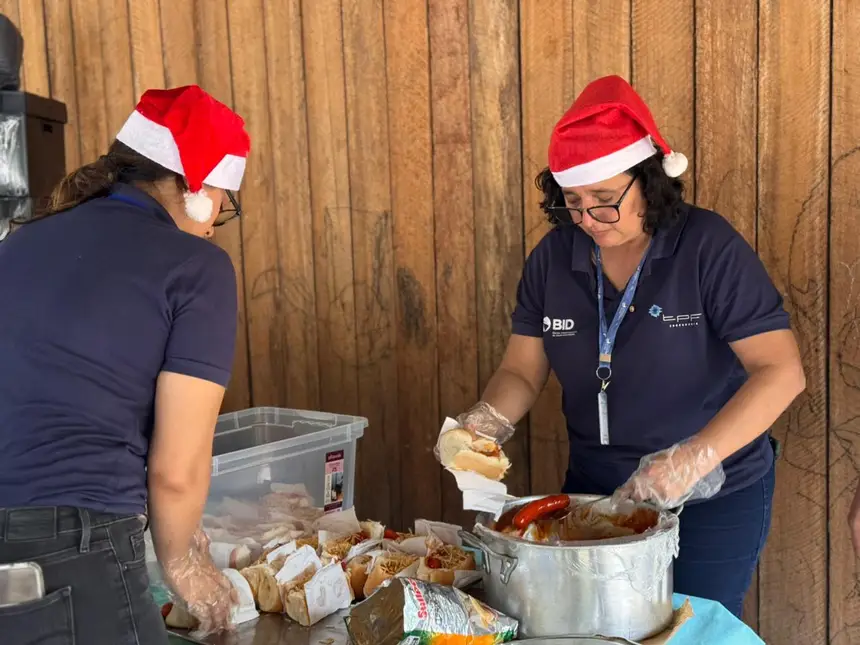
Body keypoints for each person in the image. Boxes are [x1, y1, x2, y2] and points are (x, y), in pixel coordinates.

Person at [443, 76, 805, 617]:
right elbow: (521, 371)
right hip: (595, 491)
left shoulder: (707, 247)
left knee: (689, 625)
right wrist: (486, 421)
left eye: (606, 201)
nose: (588, 219)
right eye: (573, 202)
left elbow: (781, 371)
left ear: (649, 181)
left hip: (711, 496)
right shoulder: (553, 259)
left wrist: (691, 460)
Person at [0, 85, 250, 644]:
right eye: (222, 200)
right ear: (194, 188)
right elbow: (175, 471)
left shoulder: (21, 242)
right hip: (72, 549)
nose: (214, 224)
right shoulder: (197, 268)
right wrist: (184, 565)